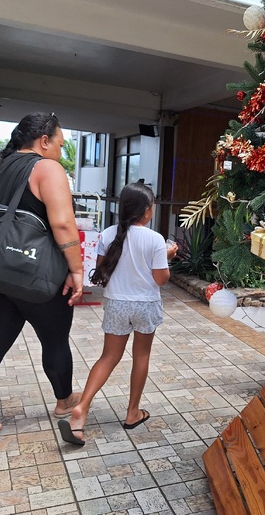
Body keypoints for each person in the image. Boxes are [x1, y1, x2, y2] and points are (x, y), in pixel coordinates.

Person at [0, 112, 84, 448]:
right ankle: (64, 401)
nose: (60, 153)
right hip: (35, 273)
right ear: (44, 141)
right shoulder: (47, 168)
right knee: (54, 340)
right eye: (60, 145)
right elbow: (63, 225)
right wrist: (77, 271)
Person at [58, 182, 177, 446]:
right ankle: (132, 413)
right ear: (147, 211)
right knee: (141, 355)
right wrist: (166, 256)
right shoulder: (155, 239)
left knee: (108, 357)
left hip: (116, 304)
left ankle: (82, 409)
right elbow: (160, 279)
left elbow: (103, 272)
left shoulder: (108, 235)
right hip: (145, 305)